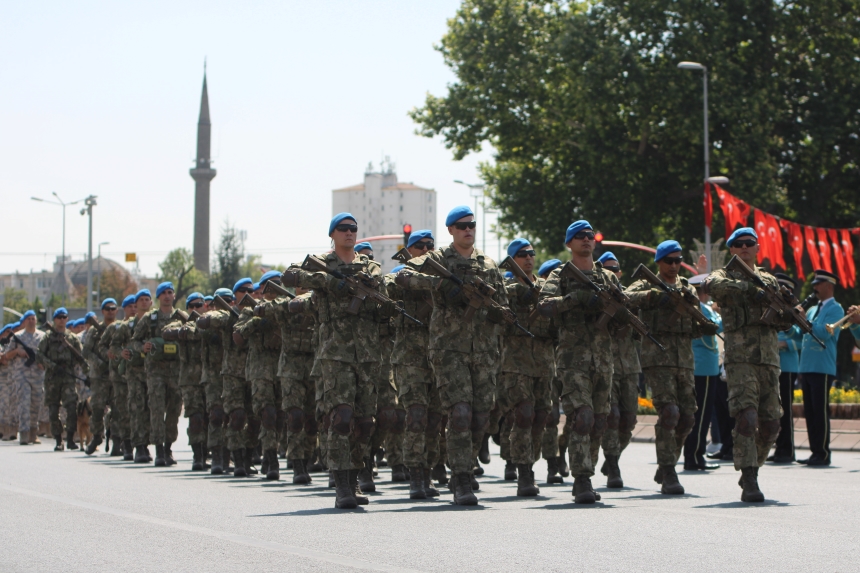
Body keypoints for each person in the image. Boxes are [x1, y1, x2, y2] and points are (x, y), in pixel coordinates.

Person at [395, 206, 508, 505]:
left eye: (471, 224)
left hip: (483, 351)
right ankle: (459, 478)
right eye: (460, 226)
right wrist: (440, 285)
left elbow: (503, 307)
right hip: (449, 350)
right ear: (450, 230)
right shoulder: (436, 259)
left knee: (481, 417)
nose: (467, 229)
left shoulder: (488, 264)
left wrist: (494, 308)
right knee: (459, 413)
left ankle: (466, 465)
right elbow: (401, 276)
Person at [282, 212, 390, 509]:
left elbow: (382, 295)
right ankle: (341, 483)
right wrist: (331, 283)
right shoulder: (322, 263)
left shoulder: (371, 267)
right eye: (343, 229)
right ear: (332, 234)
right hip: (335, 354)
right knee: (341, 419)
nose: (349, 233)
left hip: (367, 356)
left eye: (353, 229)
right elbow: (289, 275)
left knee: (364, 423)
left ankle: (354, 477)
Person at [538, 220, 621, 504]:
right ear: (569, 244)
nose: (586, 240)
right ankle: (581, 477)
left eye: (590, 236)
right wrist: (576, 298)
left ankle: (587, 469)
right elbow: (545, 306)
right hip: (572, 359)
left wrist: (620, 310)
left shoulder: (608, 278)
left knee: (599, 421)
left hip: (602, 359)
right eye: (579, 237)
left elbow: (621, 322)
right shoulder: (560, 275)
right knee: (582, 417)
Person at [703, 227, 790, 502]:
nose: (744, 247)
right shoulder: (725, 274)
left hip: (769, 360)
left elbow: (781, 321)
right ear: (731, 249)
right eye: (738, 244)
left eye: (749, 243)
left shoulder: (770, 279)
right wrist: (751, 291)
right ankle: (750, 476)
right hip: (741, 359)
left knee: (772, 425)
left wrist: (788, 310)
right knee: (747, 417)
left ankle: (753, 465)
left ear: (757, 247)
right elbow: (711, 284)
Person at [626, 240, 717, 494]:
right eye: (669, 261)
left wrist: (705, 327)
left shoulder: (687, 288)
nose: (675, 265)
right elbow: (624, 298)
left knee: (688, 417)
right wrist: (654, 297)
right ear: (659, 262)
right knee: (670, 413)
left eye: (678, 261)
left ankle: (667, 461)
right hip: (658, 358)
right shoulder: (647, 284)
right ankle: (668, 470)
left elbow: (695, 322)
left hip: (685, 361)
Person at [495, 238, 554, 496]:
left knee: (541, 417)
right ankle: (524, 471)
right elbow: (499, 300)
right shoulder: (505, 286)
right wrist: (523, 293)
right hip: (514, 362)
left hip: (543, 362)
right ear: (513, 260)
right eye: (522, 254)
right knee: (524, 414)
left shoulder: (546, 287)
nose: (528, 258)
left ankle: (530, 460)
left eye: (531, 253)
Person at [387, 230, 444, 499]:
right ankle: (416, 474)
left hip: (439, 357)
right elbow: (390, 283)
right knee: (417, 416)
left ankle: (430, 468)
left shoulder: (443, 278)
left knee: (435, 419)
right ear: (409, 251)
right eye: (419, 246)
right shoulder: (400, 275)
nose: (425, 249)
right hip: (410, 359)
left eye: (429, 245)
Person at [256, 275, 318, 485]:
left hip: (314, 368)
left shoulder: (317, 303)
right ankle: (297, 463)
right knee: (295, 416)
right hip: (291, 369)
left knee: (312, 419)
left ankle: (308, 457)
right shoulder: (285, 304)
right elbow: (262, 310)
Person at [197, 279, 258, 477]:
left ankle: (248, 458)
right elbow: (210, 319)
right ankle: (225, 457)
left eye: (251, 290)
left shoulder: (255, 313)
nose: (249, 293)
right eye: (244, 290)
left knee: (254, 418)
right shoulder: (227, 316)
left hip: (254, 373)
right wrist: (207, 318)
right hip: (230, 374)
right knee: (229, 416)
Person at [597, 252, 642, 488]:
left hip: (630, 366)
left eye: (615, 269)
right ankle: (613, 464)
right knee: (611, 416)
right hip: (606, 364)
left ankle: (613, 455)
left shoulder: (629, 297)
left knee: (629, 419)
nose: (612, 273)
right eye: (607, 269)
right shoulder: (598, 296)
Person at [236, 271, 285, 480]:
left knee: (281, 416)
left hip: (283, 369)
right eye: (273, 284)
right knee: (266, 415)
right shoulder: (251, 310)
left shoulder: (285, 307)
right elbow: (238, 336)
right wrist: (256, 322)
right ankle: (270, 457)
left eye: (280, 284)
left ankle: (267, 452)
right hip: (260, 370)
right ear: (264, 288)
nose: (278, 288)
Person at [132, 282, 185, 467]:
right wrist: (143, 347)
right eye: (164, 293)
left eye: (170, 292)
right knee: (156, 409)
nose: (167, 296)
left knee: (174, 410)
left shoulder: (181, 317)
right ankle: (159, 450)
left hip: (176, 371)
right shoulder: (150, 318)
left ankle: (169, 447)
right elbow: (135, 341)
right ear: (159, 297)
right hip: (155, 371)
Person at [797, 270, 844, 466]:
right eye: (814, 284)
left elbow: (825, 334)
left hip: (822, 366)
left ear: (829, 286)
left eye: (819, 284)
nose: (814, 287)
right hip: (807, 365)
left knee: (819, 411)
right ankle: (815, 451)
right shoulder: (812, 309)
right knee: (809, 411)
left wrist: (805, 321)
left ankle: (823, 452)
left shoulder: (836, 309)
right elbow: (803, 333)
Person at [162, 292, 208, 471]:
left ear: (205, 306)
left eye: (199, 305)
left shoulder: (211, 321)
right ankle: (198, 456)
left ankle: (213, 454)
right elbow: (166, 332)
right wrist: (187, 329)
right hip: (189, 380)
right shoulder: (181, 323)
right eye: (192, 306)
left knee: (210, 417)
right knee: (195, 417)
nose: (196, 309)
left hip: (211, 378)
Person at [683, 275, 723, 471]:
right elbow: (719, 325)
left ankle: (693, 455)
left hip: (698, 366)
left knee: (696, 414)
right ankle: (695, 455)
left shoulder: (695, 308)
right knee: (702, 415)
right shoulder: (702, 309)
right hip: (704, 367)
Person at [37, 308, 87, 451]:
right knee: (53, 410)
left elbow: (80, 356)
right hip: (53, 377)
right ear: (54, 319)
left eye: (64, 317)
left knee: (71, 407)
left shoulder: (72, 338)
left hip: (68, 376)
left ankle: (70, 438)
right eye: (58, 317)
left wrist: (87, 373)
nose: (61, 319)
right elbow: (39, 355)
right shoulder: (47, 337)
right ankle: (58, 439)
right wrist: (52, 365)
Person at [199, 288, 233, 475]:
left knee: (231, 416)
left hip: (232, 375)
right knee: (216, 415)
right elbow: (199, 328)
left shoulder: (235, 319)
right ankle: (217, 456)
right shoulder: (207, 321)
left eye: (228, 301)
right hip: (213, 377)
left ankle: (229, 456)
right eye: (219, 302)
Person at [769, 273, 803, 463]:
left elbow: (801, 339)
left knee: (785, 409)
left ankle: (787, 449)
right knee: (774, 408)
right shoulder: (773, 310)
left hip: (788, 366)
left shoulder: (794, 312)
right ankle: (778, 446)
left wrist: (784, 344)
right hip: (773, 365)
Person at [101, 295, 135, 460]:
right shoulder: (116, 327)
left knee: (136, 409)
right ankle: (119, 442)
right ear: (124, 309)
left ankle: (137, 443)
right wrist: (111, 353)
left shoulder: (142, 324)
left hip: (137, 374)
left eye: (135, 306)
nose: (133, 309)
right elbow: (103, 345)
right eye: (130, 306)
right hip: (119, 375)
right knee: (120, 410)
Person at [83, 299, 119, 455]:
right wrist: (99, 362)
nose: (110, 311)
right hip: (99, 376)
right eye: (107, 309)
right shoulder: (94, 331)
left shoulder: (120, 328)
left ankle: (117, 441)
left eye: (113, 308)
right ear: (102, 311)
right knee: (97, 408)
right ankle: (96, 436)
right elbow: (86, 352)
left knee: (118, 409)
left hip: (117, 375)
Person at [6, 311, 46, 445]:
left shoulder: (42, 336)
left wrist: (43, 363)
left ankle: (33, 434)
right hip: (21, 375)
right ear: (24, 321)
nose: (31, 321)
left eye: (33, 318)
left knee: (35, 405)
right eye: (28, 319)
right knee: (24, 403)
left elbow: (48, 355)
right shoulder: (17, 337)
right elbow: (7, 355)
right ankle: (23, 434)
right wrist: (17, 351)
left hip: (38, 375)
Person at [0, 320, 22, 438]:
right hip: (3, 378)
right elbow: (3, 359)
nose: (11, 333)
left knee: (12, 405)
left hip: (13, 377)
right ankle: (4, 430)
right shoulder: (3, 344)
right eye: (8, 331)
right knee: (4, 405)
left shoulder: (15, 343)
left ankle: (12, 430)